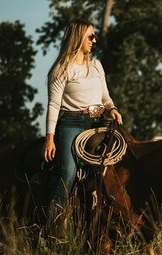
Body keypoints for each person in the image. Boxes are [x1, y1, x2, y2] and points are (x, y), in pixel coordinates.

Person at [43, 19, 122, 224]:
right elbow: (53, 105)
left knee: (115, 166)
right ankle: (53, 224)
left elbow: (105, 96)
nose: (94, 40)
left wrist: (112, 109)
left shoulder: (96, 65)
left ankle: (106, 220)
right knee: (68, 173)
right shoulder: (62, 68)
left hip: (98, 122)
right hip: (71, 122)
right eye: (90, 36)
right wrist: (50, 138)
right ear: (77, 37)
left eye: (94, 36)